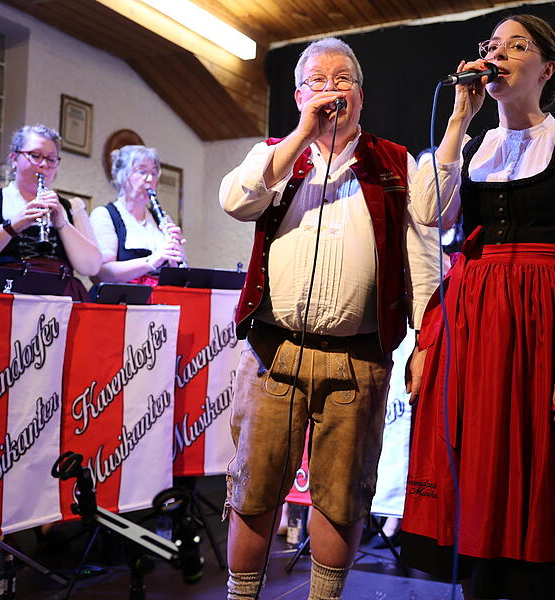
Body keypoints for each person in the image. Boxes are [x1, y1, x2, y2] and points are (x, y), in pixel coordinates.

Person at [401, 14, 555, 600]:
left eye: (515, 46)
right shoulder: (472, 147)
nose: (497, 55)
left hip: (545, 319)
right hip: (474, 323)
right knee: (478, 458)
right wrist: (458, 119)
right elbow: (429, 214)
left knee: (549, 459)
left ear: (547, 69)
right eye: (491, 45)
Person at [218, 37, 437, 599]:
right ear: (298, 96)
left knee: (343, 495)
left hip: (358, 355)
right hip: (274, 351)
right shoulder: (274, 155)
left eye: (343, 80)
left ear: (361, 95)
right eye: (317, 81)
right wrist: (301, 136)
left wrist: (424, 344)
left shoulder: (397, 162)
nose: (331, 90)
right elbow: (236, 202)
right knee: (253, 489)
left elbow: (421, 259)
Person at [0, 124, 101, 300]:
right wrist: (12, 226)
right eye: (35, 156)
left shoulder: (72, 207)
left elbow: (91, 268)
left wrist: (62, 223)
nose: (44, 165)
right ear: (14, 158)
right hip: (6, 296)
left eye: (51, 159)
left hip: (62, 299)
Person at [89, 145, 186, 286]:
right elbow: (101, 274)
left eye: (154, 173)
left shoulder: (163, 219)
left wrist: (176, 260)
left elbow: (177, 278)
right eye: (142, 171)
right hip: (120, 297)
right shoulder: (104, 215)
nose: (149, 179)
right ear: (122, 176)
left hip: (159, 298)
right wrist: (151, 261)